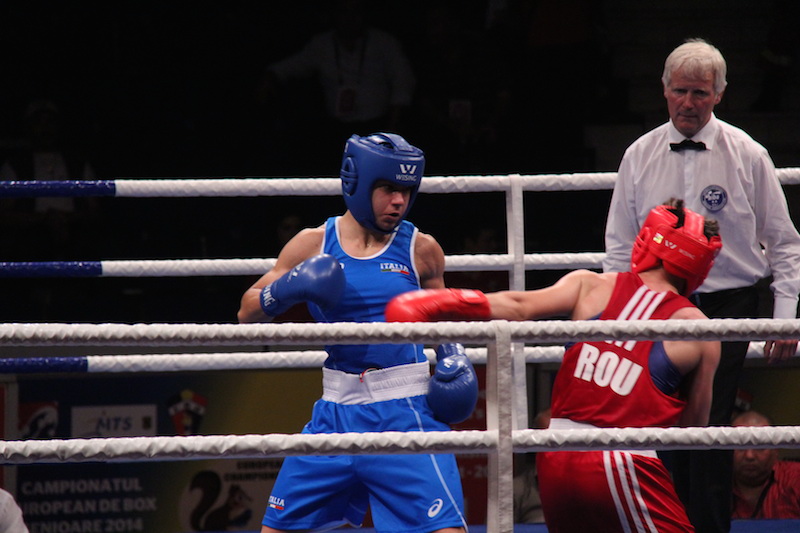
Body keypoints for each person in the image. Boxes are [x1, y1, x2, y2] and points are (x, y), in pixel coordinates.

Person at [386, 199, 722, 533]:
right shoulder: (699, 329)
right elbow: (693, 427)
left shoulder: (591, 285)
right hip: (620, 462)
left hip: (555, 455)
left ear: (651, 238)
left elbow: (516, 306)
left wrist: (438, 301)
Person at [602, 38, 800, 533]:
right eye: (680, 91)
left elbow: (783, 241)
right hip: (657, 305)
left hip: (729, 304)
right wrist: (611, 314)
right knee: (655, 425)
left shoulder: (747, 153)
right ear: (664, 91)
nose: (688, 103)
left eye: (700, 93)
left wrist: (785, 314)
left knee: (709, 428)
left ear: (720, 94)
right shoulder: (639, 153)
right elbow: (619, 245)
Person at [238, 132, 473, 533]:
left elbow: (441, 319)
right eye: (387, 189)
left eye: (406, 190)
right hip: (334, 414)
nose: (399, 201)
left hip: (406, 413)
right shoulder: (313, 245)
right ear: (357, 184)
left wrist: (454, 356)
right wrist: (289, 287)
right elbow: (247, 310)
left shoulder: (421, 249)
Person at [731, 410, 800, 519]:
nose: (749, 456)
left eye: (760, 446)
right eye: (740, 445)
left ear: (775, 450)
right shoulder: (711, 486)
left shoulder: (796, 478)